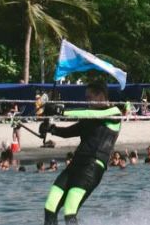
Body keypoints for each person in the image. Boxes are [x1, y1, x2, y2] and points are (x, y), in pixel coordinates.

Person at [42, 79, 122, 225]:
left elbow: (93, 114)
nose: (87, 101)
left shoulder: (115, 113)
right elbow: (68, 132)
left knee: (69, 210)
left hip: (92, 168)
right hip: (75, 165)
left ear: (101, 95)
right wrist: (50, 128)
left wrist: (62, 111)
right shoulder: (88, 118)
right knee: (50, 206)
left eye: (89, 97)